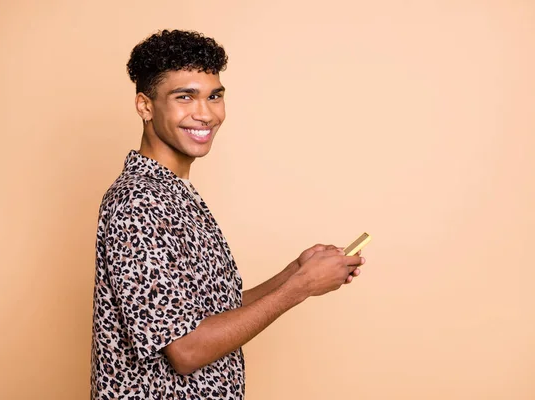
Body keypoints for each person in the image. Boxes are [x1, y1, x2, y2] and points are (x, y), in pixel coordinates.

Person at [90, 29, 366, 400]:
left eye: (214, 96)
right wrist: (300, 289)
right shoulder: (139, 202)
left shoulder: (174, 194)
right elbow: (186, 350)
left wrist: (294, 272)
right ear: (145, 106)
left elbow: (212, 315)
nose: (205, 113)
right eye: (184, 97)